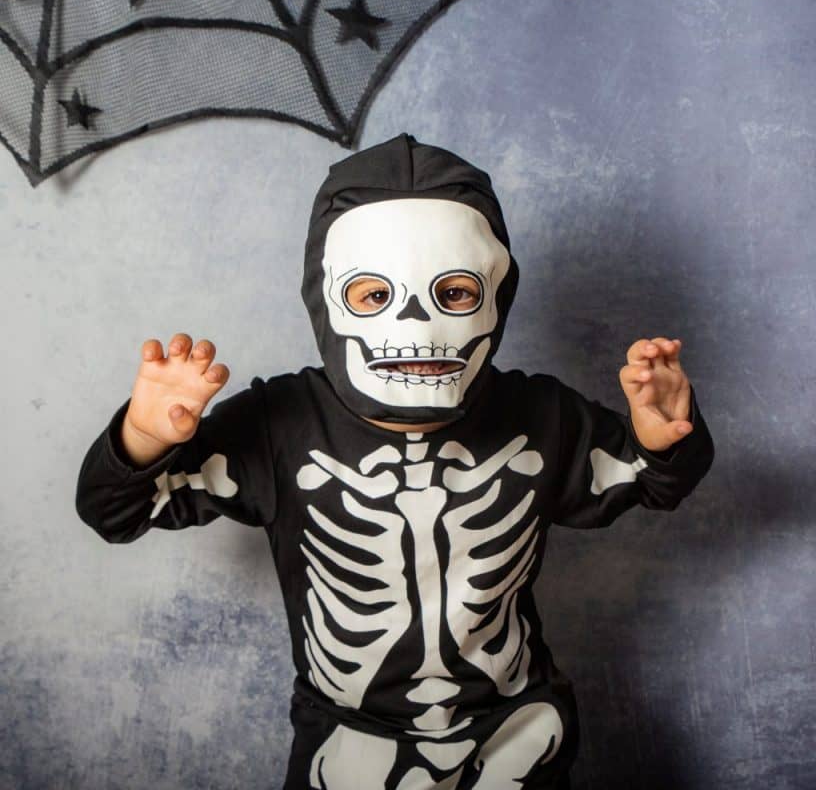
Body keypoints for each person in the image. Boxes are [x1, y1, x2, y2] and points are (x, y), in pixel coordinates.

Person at [76, 133, 714, 789]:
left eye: (457, 293)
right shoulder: (276, 426)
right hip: (348, 750)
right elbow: (113, 508)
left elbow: (655, 481)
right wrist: (144, 438)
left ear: (498, 294)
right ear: (326, 298)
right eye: (373, 296)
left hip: (518, 740)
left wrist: (664, 437)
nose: (414, 328)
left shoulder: (543, 417)